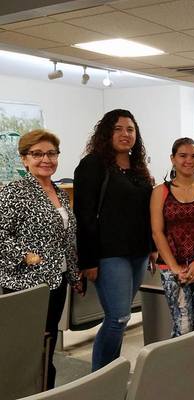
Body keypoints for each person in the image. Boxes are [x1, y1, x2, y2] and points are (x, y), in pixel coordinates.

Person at [74, 109, 156, 371]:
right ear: (106, 133)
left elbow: (145, 213)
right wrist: (87, 260)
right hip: (109, 254)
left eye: (130, 129)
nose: (125, 134)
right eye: (118, 129)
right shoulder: (93, 165)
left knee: (121, 317)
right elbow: (84, 215)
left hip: (138, 253)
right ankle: (100, 377)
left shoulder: (137, 167)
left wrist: (152, 247)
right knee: (118, 317)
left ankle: (111, 373)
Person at [0, 129, 82, 389]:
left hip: (56, 281)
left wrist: (75, 274)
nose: (46, 159)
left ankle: (45, 388)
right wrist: (25, 256)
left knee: (46, 342)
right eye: (37, 154)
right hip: (25, 284)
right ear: (24, 159)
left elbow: (67, 238)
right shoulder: (15, 191)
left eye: (51, 153)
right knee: (28, 346)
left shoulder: (58, 192)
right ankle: (27, 390)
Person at [150, 137, 194, 337]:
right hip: (172, 267)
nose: (189, 160)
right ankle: (179, 367)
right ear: (172, 158)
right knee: (182, 324)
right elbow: (157, 232)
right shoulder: (160, 192)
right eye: (183, 156)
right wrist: (174, 267)